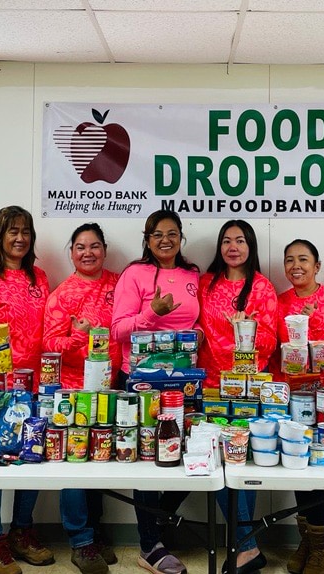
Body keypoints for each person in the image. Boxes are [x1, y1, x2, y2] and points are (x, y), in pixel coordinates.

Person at [111, 210, 200, 574]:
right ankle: (150, 545)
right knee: (148, 454)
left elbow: (196, 320)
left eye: (173, 233)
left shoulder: (193, 275)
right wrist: (152, 313)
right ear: (147, 240)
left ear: (181, 237)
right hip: (142, 382)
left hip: (186, 382)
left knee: (194, 451)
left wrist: (200, 333)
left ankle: (158, 519)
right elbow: (117, 329)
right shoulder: (135, 274)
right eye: (157, 234)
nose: (166, 239)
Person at [0, 206, 54, 574]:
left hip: (36, 385)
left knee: (30, 457)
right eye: (12, 231)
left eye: (25, 231)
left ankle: (22, 532)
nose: (20, 238)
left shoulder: (40, 278)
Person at [196, 220, 277, 574]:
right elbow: (196, 325)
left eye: (240, 240)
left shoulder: (262, 287)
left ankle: (243, 546)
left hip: (248, 389)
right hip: (211, 387)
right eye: (226, 240)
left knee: (241, 464)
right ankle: (246, 546)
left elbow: (270, 341)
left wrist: (243, 332)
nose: (233, 247)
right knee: (215, 460)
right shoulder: (206, 284)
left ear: (251, 246)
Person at [42, 223, 121, 574]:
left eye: (94, 246)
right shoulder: (63, 294)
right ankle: (80, 541)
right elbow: (50, 345)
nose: (88, 252)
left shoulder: (120, 283)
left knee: (101, 457)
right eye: (80, 247)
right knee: (76, 462)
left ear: (104, 249)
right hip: (73, 392)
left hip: (113, 387)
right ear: (71, 252)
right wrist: (78, 336)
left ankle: (97, 531)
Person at [277, 239, 324, 574]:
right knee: (297, 461)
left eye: (303, 260)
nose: (296, 266)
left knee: (317, 463)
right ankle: (310, 540)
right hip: (293, 396)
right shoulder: (280, 302)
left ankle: (321, 543)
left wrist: (312, 324)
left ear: (317, 266)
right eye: (290, 260)